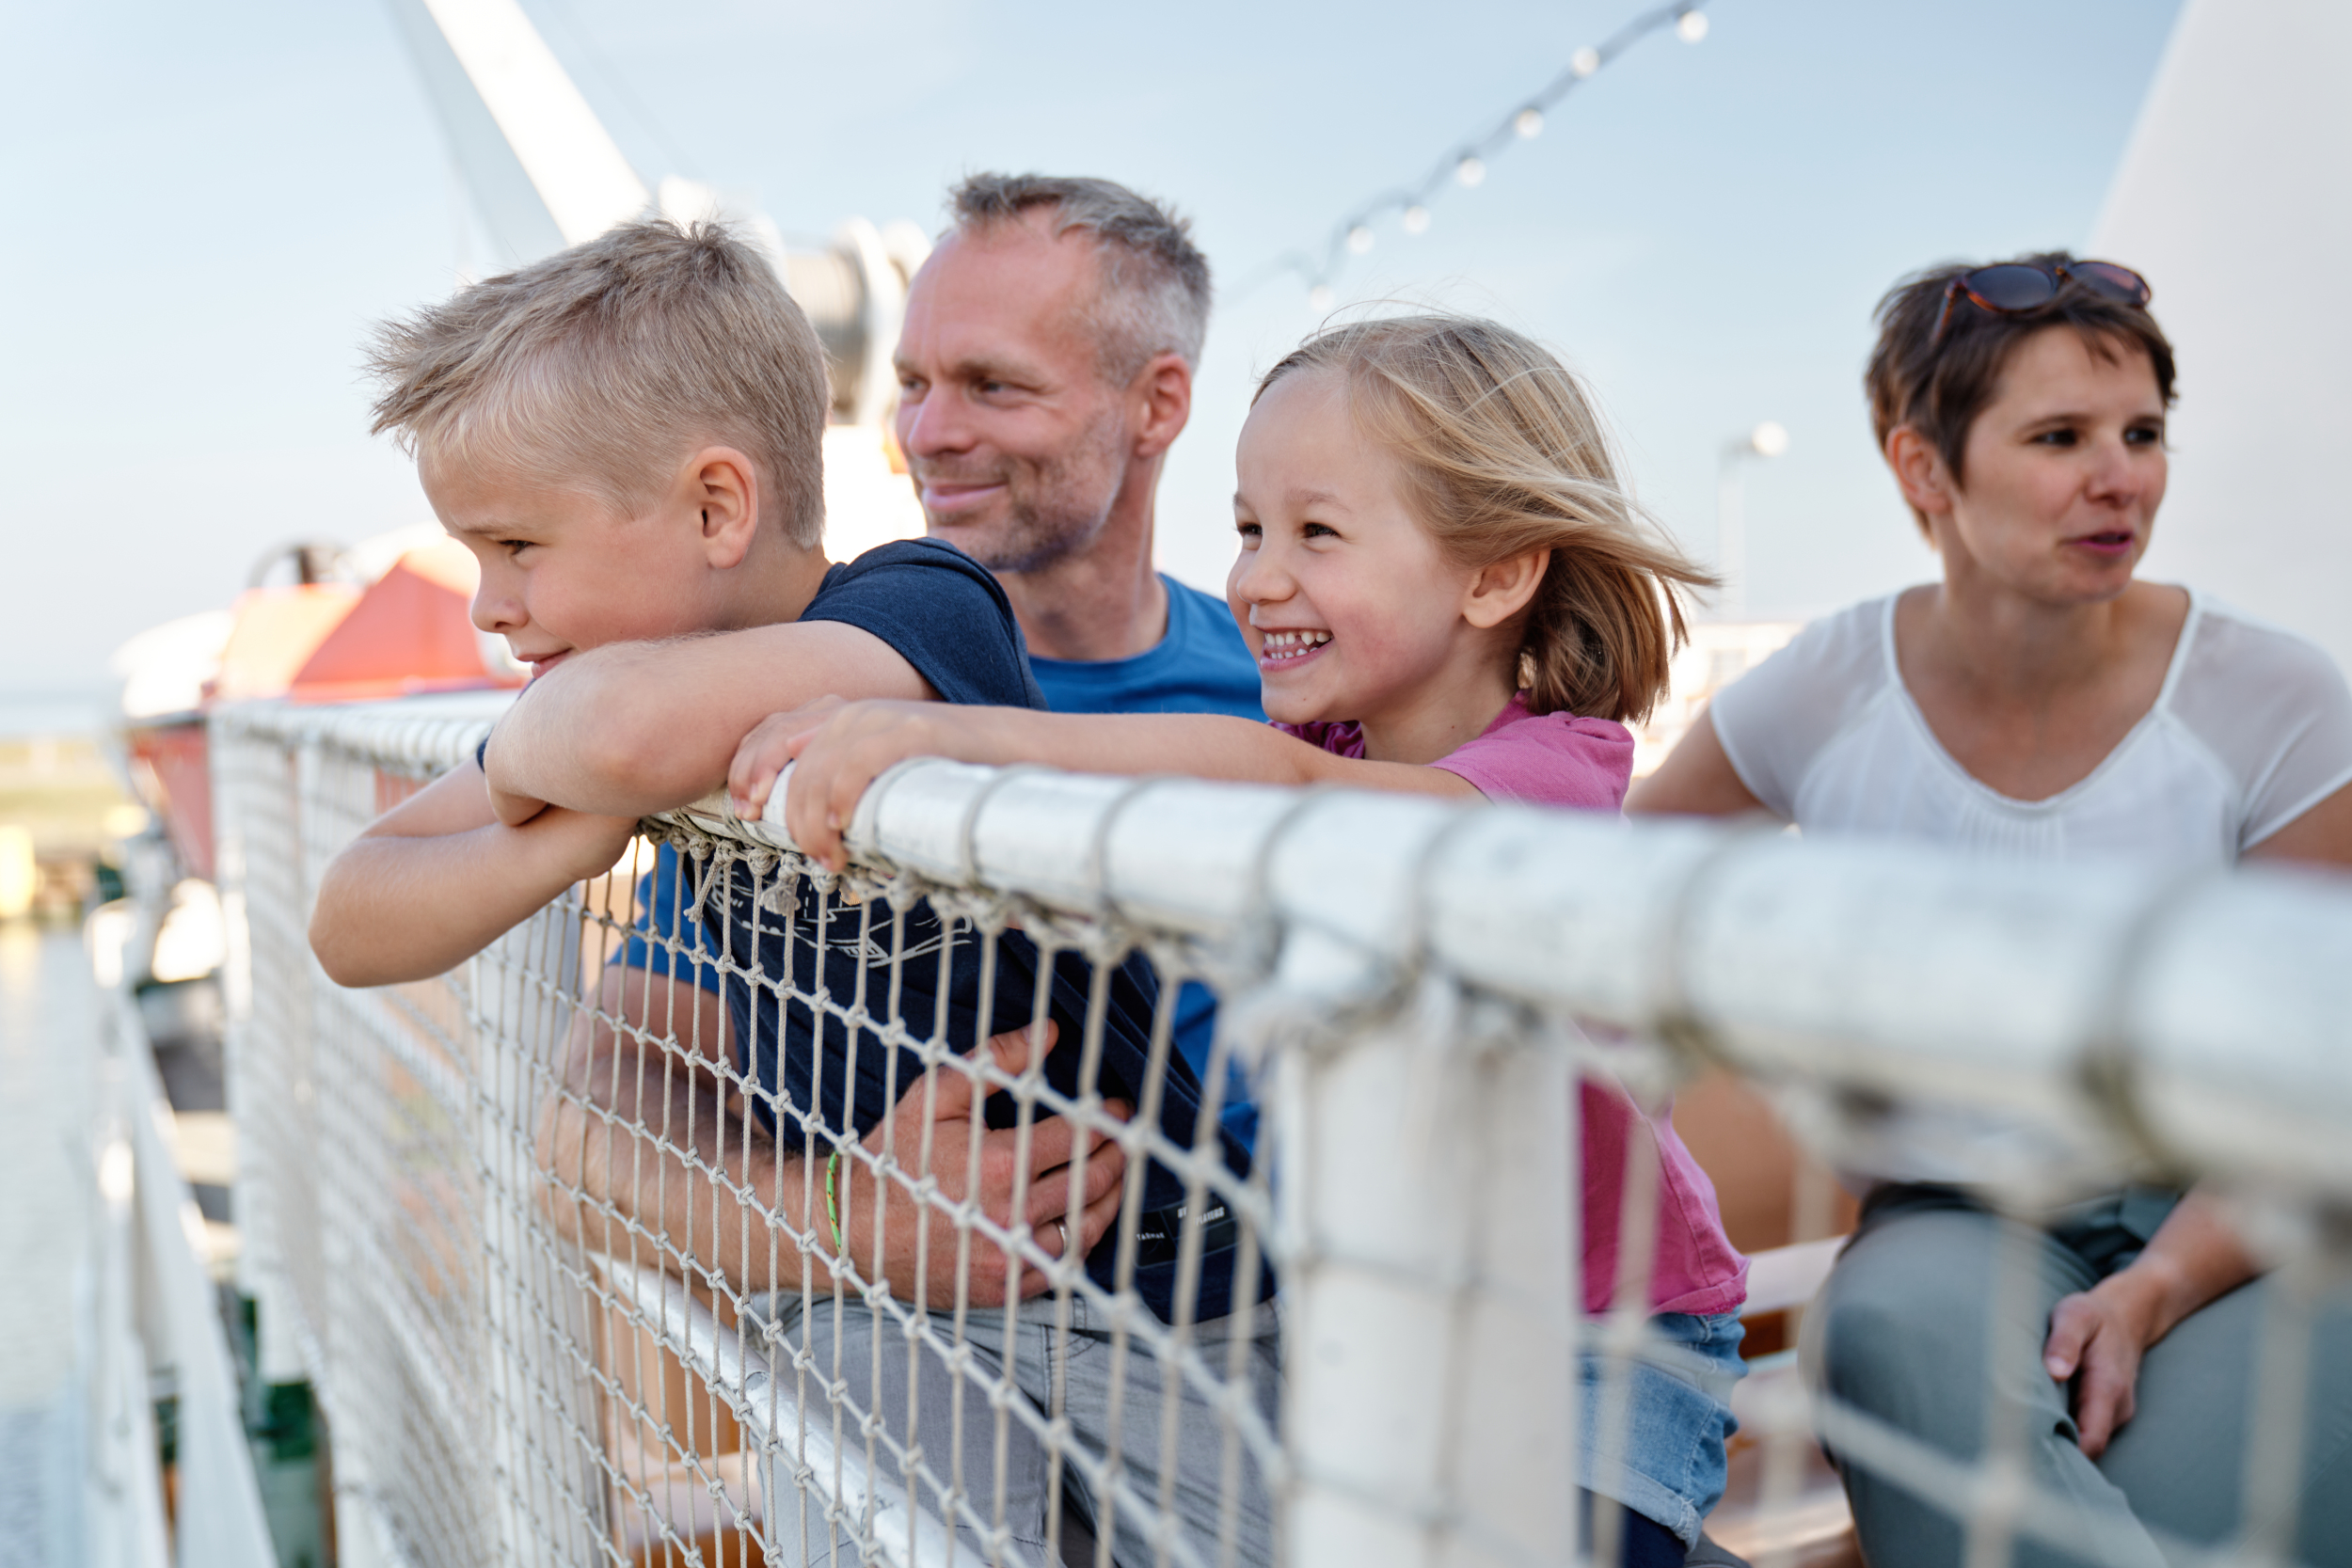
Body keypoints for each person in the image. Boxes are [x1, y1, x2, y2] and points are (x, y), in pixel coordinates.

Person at [306, 219, 1272, 1565]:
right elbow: (350, 916)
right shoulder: (638, 711)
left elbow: (618, 736)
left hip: (1169, 1291)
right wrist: (558, 847)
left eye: (517, 545)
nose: (491, 608)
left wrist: (576, 769)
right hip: (908, 1295)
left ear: (718, 506)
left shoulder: (921, 610)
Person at [736, 314, 1753, 1566]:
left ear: (1496, 574)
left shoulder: (1548, 778)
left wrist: (966, 732)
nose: (1257, 576)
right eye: (1251, 526)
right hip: (1379, 1318)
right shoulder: (1330, 749)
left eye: (1316, 533)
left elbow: (1281, 794)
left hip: (1594, 1333)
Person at [1630, 252, 2352, 1563]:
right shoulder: (1828, 685)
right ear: (1922, 468)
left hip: (2235, 1212)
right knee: (1893, 1336)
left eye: (2141, 433)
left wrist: (2156, 1284)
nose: (2118, 474)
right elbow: (1626, 874)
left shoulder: (2284, 699)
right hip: (1949, 1228)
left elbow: (2317, 1078)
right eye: (2059, 436)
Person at [893, 172, 1264, 1145]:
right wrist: (849, 1218)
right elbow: (613, 1075)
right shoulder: (830, 688)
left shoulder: (1295, 696)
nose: (926, 435)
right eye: (911, 383)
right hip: (935, 1290)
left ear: (1156, 404)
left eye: (993, 384)